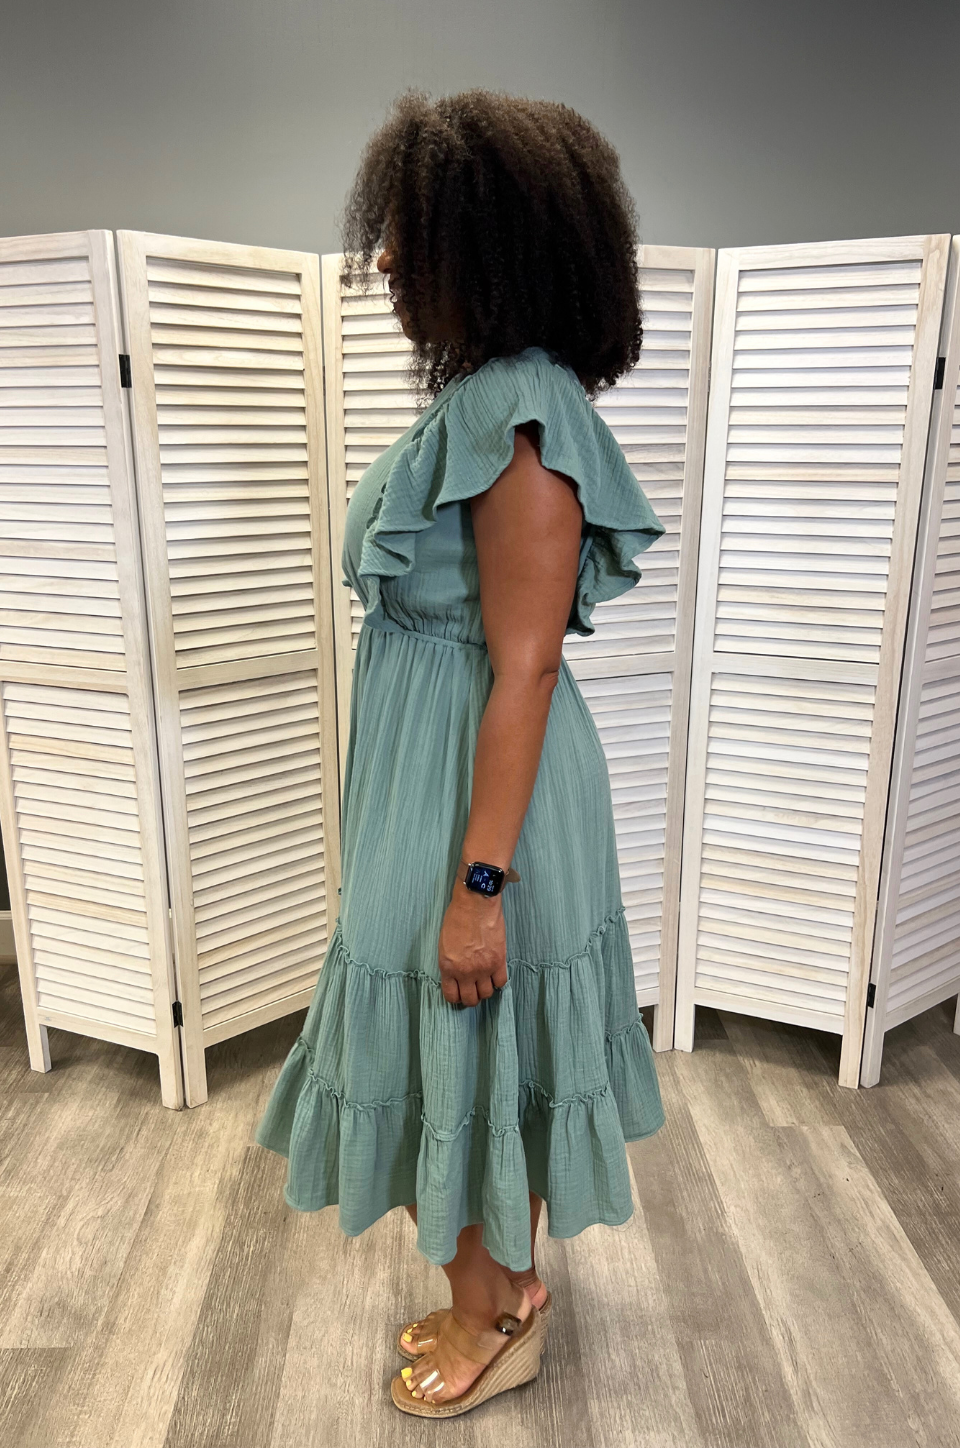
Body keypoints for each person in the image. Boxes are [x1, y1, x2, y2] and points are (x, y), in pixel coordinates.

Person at [255, 87, 667, 1419]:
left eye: (413, 232)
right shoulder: (494, 403)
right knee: (473, 1042)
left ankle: (495, 1314)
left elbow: (527, 664)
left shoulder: (521, 425)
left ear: (493, 246)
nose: (383, 257)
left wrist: (480, 887)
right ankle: (502, 1285)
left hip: (484, 803)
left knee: (468, 1020)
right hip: (435, 775)